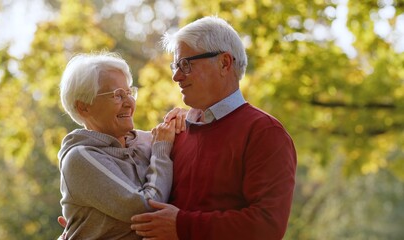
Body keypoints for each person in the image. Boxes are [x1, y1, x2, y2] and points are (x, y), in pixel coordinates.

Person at [130, 16, 297, 240]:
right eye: (176, 66)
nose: (176, 76)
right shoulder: (174, 133)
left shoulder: (264, 133)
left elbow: (267, 226)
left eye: (186, 64)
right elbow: (141, 204)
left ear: (224, 63)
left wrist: (183, 226)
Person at [58, 52, 186, 239]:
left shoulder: (149, 139)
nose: (129, 103)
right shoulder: (79, 157)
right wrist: (161, 150)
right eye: (117, 95)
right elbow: (148, 210)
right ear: (84, 106)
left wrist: (185, 118)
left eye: (129, 92)